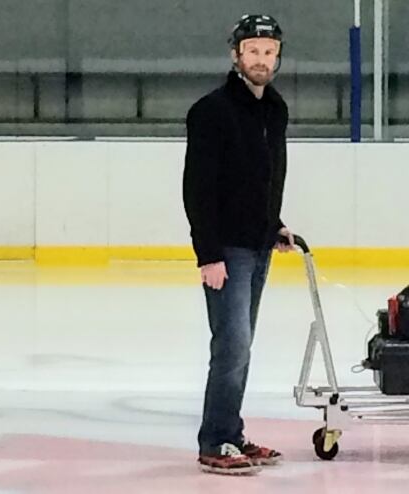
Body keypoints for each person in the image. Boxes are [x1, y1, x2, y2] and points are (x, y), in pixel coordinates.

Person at [182, 13, 295, 476]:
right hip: (226, 250)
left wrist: (276, 224)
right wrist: (207, 254)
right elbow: (198, 188)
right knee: (231, 345)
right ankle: (214, 441)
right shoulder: (210, 111)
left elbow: (265, 178)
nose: (261, 60)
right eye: (253, 51)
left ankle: (231, 433)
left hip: (259, 245)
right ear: (236, 55)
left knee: (241, 347)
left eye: (269, 53)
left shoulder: (276, 108)